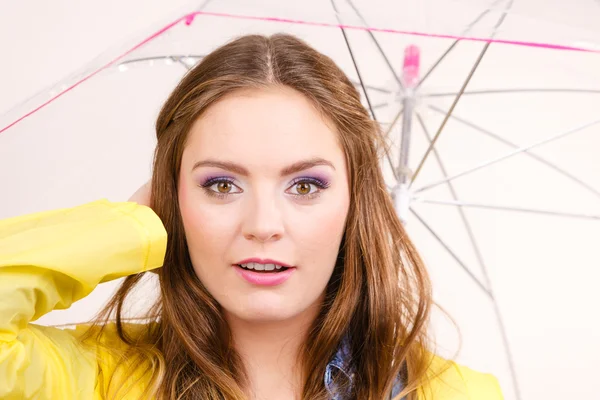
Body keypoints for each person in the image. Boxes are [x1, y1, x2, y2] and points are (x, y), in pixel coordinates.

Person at [0, 34, 503, 400]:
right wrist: (130, 225)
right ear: (173, 199)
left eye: (306, 186)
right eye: (221, 185)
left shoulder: (455, 393)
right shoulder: (97, 377)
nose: (263, 224)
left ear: (355, 204)